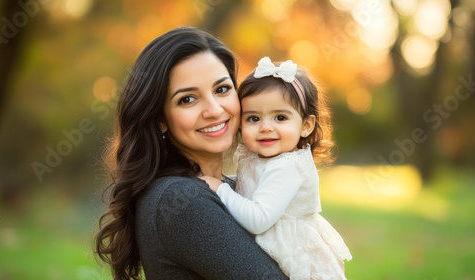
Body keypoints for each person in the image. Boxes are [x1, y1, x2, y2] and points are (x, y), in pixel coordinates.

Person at [94, 27, 288, 280]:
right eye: (187, 99)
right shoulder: (181, 200)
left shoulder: (232, 187)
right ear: (160, 118)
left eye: (221, 90)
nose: (214, 110)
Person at [202, 57, 352, 280]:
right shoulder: (264, 159)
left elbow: (258, 219)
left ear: (306, 125)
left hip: (294, 258)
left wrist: (219, 188)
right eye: (253, 118)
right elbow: (253, 186)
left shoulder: (287, 167)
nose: (265, 127)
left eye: (280, 117)